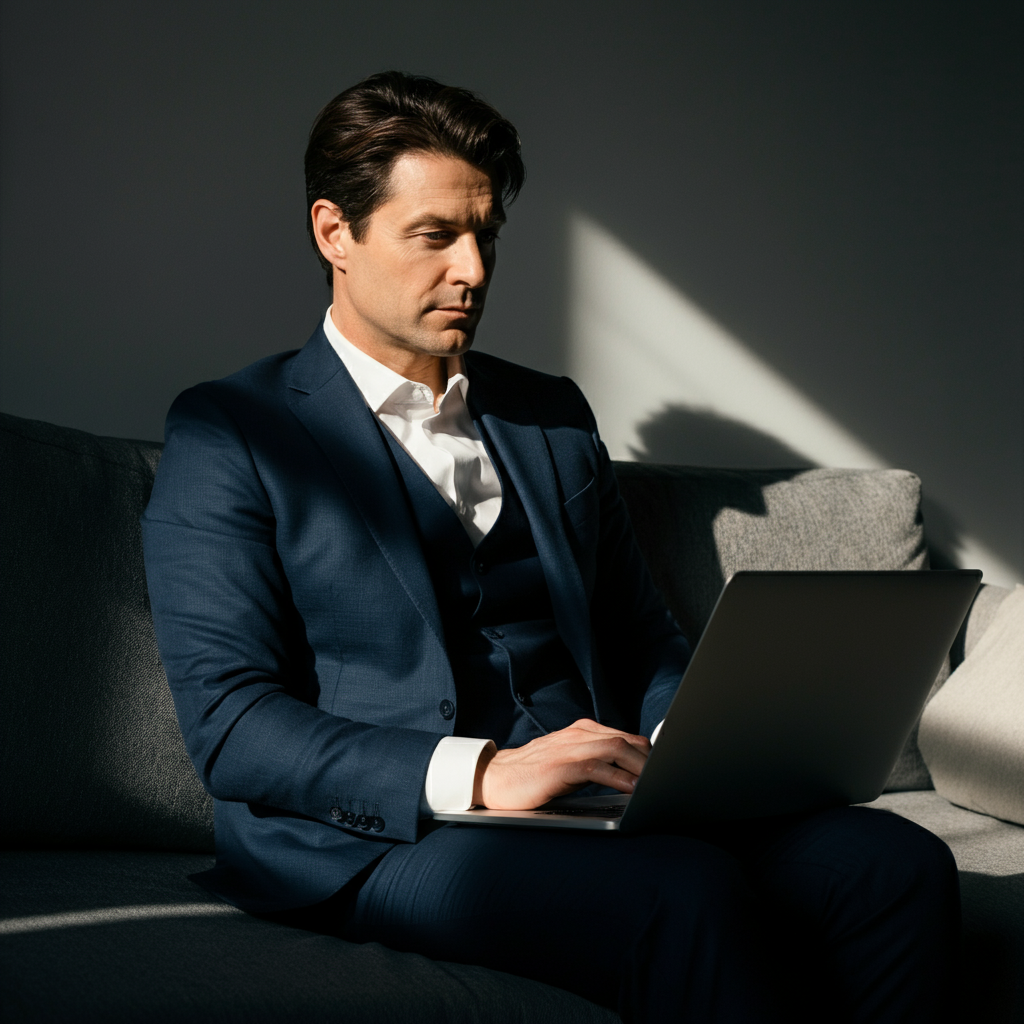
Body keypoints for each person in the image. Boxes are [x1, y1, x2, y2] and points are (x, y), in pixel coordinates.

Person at [142, 71, 960, 1023]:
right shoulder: (229, 430)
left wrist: (684, 745)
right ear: (336, 233)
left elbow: (642, 635)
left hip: (600, 805)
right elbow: (234, 727)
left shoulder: (550, 416)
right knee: (681, 895)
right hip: (387, 837)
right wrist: (486, 772)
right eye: (435, 235)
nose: (475, 271)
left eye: (485, 234)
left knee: (893, 863)